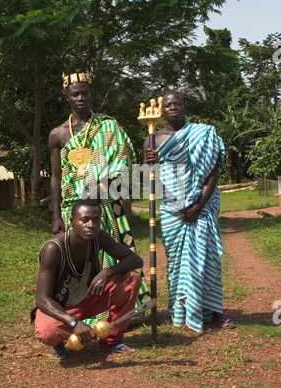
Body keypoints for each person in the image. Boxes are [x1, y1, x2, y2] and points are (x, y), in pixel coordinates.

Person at [48, 70, 150, 310]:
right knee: (79, 260)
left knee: (115, 254)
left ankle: (120, 307)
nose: (80, 98)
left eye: (84, 93)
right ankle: (83, 310)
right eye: (75, 94)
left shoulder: (109, 125)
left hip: (106, 206)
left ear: (92, 94)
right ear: (67, 97)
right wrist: (55, 217)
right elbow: (55, 177)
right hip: (73, 209)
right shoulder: (57, 134)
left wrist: (101, 187)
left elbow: (125, 162)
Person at [144, 90, 235, 333]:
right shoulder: (153, 139)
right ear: (161, 110)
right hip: (170, 208)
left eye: (178, 103)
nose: (173, 107)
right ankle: (177, 308)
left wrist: (199, 205)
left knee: (207, 259)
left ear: (185, 106)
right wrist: (149, 163)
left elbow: (213, 172)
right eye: (168, 104)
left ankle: (216, 313)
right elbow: (148, 180)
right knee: (174, 261)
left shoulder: (203, 134)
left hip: (201, 206)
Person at [34, 198, 143, 357]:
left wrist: (108, 272)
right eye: (85, 220)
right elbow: (42, 299)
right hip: (62, 308)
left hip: (89, 298)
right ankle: (59, 343)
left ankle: (112, 341)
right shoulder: (53, 249)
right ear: (72, 221)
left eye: (96, 220)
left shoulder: (98, 237)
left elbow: (135, 260)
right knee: (47, 332)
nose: (91, 225)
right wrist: (74, 322)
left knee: (131, 279)